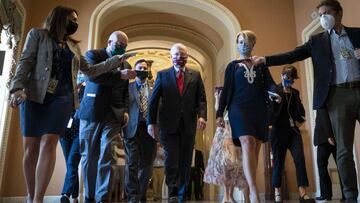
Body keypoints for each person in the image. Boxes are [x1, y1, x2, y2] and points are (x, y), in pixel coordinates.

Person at [8, 6, 128, 203]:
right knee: (31, 149)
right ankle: (30, 195)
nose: (75, 23)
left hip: (62, 98)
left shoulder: (73, 46)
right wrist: (16, 87)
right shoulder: (37, 35)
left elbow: (90, 70)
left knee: (49, 143)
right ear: (60, 18)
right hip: (35, 96)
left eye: (77, 20)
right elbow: (25, 61)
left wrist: (115, 61)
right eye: (72, 19)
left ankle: (38, 198)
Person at [253, 1, 360, 201]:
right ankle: (351, 196)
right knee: (344, 151)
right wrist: (266, 60)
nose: (323, 17)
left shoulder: (357, 34)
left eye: (327, 13)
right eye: (320, 14)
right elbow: (293, 55)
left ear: (339, 13)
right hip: (337, 96)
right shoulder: (316, 41)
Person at [216, 30, 277, 203]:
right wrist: (220, 112)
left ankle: (247, 189)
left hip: (259, 109)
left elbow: (270, 84)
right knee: (247, 142)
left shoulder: (261, 64)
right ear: (237, 45)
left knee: (254, 151)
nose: (244, 44)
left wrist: (276, 92)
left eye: (247, 41)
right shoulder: (232, 66)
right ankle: (253, 192)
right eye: (241, 42)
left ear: (253, 44)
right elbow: (227, 90)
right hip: (238, 108)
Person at [78, 30, 136, 203]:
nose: (122, 48)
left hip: (114, 114)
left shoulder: (126, 65)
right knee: (89, 155)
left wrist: (125, 110)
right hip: (92, 112)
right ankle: (89, 197)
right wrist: (118, 75)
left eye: (125, 46)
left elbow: (126, 91)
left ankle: (102, 197)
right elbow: (94, 77)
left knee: (108, 154)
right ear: (110, 42)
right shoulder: (93, 55)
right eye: (120, 45)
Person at [147, 43, 207, 203]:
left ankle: (182, 194)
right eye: (176, 55)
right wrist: (151, 122)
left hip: (188, 125)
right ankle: (173, 191)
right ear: (171, 56)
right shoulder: (162, 75)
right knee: (171, 159)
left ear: (187, 56)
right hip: (168, 125)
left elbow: (201, 99)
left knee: (186, 161)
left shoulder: (196, 74)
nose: (179, 57)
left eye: (182, 55)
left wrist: (202, 116)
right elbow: (153, 101)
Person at [269, 65, 314, 203]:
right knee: (278, 162)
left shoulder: (295, 93)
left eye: (291, 78)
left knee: (300, 159)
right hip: (278, 132)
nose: (289, 80)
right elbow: (270, 115)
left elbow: (301, 112)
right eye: (287, 76)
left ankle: (303, 193)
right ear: (282, 75)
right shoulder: (274, 91)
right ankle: (277, 193)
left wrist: (297, 123)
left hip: (293, 132)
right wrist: (278, 101)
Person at [204, 88, 248, 203]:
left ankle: (231, 196)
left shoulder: (237, 96)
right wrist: (217, 97)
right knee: (224, 165)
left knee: (234, 164)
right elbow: (218, 110)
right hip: (223, 134)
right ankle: (227, 196)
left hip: (234, 133)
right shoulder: (223, 96)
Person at [124, 59, 157, 203]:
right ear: (135, 69)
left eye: (145, 68)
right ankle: (133, 197)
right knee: (132, 163)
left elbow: (159, 110)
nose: (143, 69)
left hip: (149, 131)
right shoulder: (127, 87)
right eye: (140, 67)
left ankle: (141, 195)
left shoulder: (154, 88)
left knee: (147, 165)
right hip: (132, 129)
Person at [59, 76, 85, 203]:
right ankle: (75, 197)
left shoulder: (85, 91)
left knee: (72, 163)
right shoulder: (65, 90)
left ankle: (65, 194)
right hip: (64, 133)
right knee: (70, 165)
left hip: (79, 133)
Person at [314, 108, 345, 202]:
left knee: (322, 164)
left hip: (325, 137)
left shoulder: (320, 99)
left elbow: (323, 115)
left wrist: (329, 135)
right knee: (341, 164)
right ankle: (346, 194)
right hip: (334, 134)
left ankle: (326, 194)